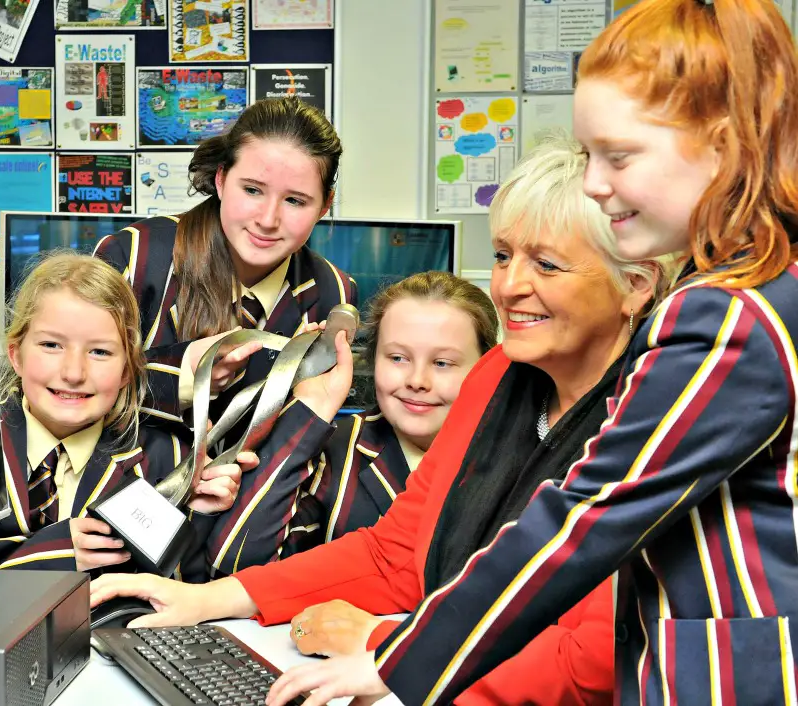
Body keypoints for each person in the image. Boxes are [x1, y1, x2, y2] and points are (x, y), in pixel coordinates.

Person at [253, 1, 797, 703]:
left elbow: (584, 520)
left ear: (721, 143)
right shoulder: (770, 287)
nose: (596, 184)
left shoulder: (727, 312)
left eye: (619, 156)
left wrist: (394, 660)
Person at [89, 134, 675, 704]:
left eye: (546, 264)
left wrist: (384, 648)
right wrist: (210, 600)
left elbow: (595, 661)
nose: (509, 286)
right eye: (502, 256)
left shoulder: (662, 416)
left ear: (636, 287)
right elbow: (396, 554)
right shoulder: (498, 374)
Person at [0, 252, 339, 581]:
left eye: (100, 352)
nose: (74, 372)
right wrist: (47, 554)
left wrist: (197, 516)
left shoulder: (169, 457)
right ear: (15, 354)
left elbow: (185, 591)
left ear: (128, 369)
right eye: (51, 345)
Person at [205, 271, 498, 575]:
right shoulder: (331, 450)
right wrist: (307, 413)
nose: (416, 381)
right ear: (372, 360)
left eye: (442, 363)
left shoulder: (516, 456)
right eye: (398, 358)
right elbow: (234, 567)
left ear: (487, 367)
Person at [93, 97, 356, 430]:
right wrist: (186, 376)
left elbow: (304, 431)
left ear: (324, 205)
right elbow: (66, 387)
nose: (268, 219)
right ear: (221, 179)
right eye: (252, 190)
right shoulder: (133, 255)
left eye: (294, 200)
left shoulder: (336, 294)